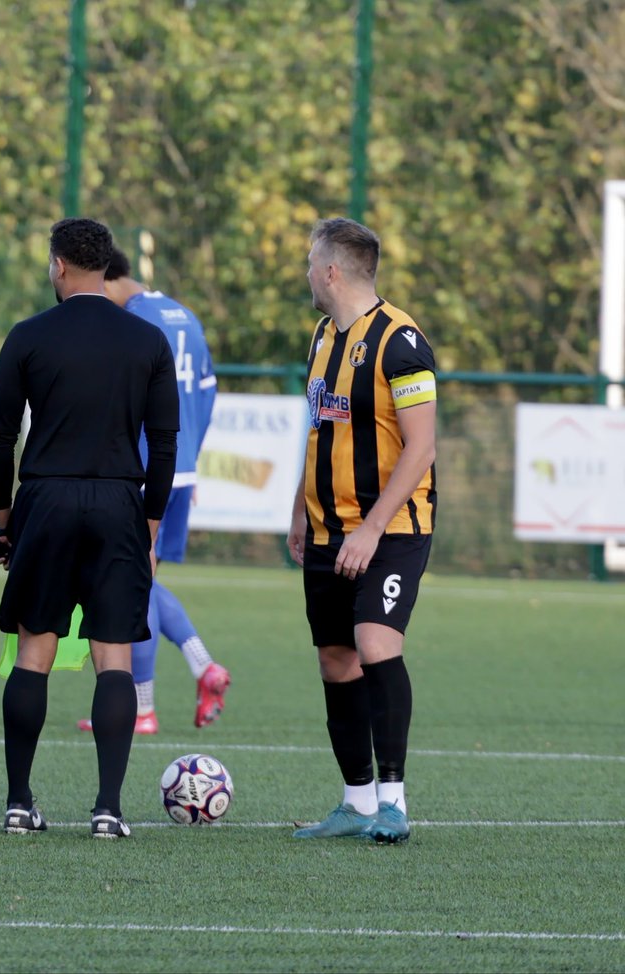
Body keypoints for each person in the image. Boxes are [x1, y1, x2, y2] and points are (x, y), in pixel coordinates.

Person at [0, 217, 179, 838]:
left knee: (34, 652)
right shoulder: (146, 340)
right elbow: (165, 444)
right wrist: (149, 524)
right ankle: (107, 810)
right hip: (119, 503)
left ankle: (19, 803)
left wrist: (5, 519)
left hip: (45, 499)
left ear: (58, 266)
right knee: (113, 658)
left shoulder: (29, 335)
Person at [287, 217, 437, 845]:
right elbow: (320, 427)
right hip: (327, 532)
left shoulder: (401, 341)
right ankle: (356, 802)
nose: (305, 274)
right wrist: (300, 507)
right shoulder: (324, 334)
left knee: (375, 643)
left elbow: (422, 446)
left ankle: (394, 803)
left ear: (331, 271)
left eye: (309, 263)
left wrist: (372, 529)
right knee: (335, 660)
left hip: (390, 529)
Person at [76, 246, 231, 735]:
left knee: (129, 584)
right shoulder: (183, 315)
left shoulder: (135, 321)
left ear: (106, 280)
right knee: (141, 578)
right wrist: (191, 461)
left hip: (141, 467)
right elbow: (208, 392)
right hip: (179, 469)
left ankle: (142, 708)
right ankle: (202, 665)